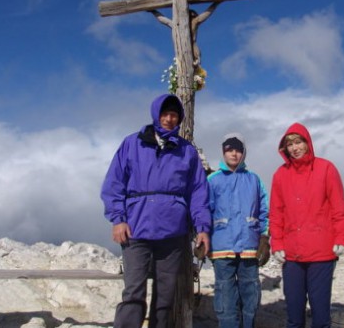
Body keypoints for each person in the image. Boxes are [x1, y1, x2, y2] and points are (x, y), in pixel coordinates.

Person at [100, 93, 211, 328]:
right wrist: (118, 219)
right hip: (135, 230)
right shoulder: (132, 144)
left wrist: (202, 227)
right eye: (165, 113)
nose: (169, 119)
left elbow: (198, 192)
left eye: (174, 115)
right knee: (133, 293)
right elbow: (114, 184)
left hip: (173, 233)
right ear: (155, 114)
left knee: (165, 296)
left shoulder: (186, 151)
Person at [269, 123, 344, 328]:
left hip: (321, 253)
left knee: (320, 315)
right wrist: (277, 243)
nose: (295, 148)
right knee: (294, 315)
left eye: (298, 142)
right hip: (292, 254)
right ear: (284, 148)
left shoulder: (326, 169)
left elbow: (338, 207)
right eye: (290, 144)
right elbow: (276, 213)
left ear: (307, 143)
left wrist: (342, 238)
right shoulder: (281, 174)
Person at [208, 133, 270, 328]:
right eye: (229, 149)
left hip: (249, 246)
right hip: (221, 245)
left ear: (243, 153)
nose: (234, 154)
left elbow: (264, 210)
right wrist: (203, 238)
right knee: (225, 297)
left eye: (238, 150)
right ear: (223, 152)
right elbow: (204, 210)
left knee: (250, 294)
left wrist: (263, 237)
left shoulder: (254, 179)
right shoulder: (212, 180)